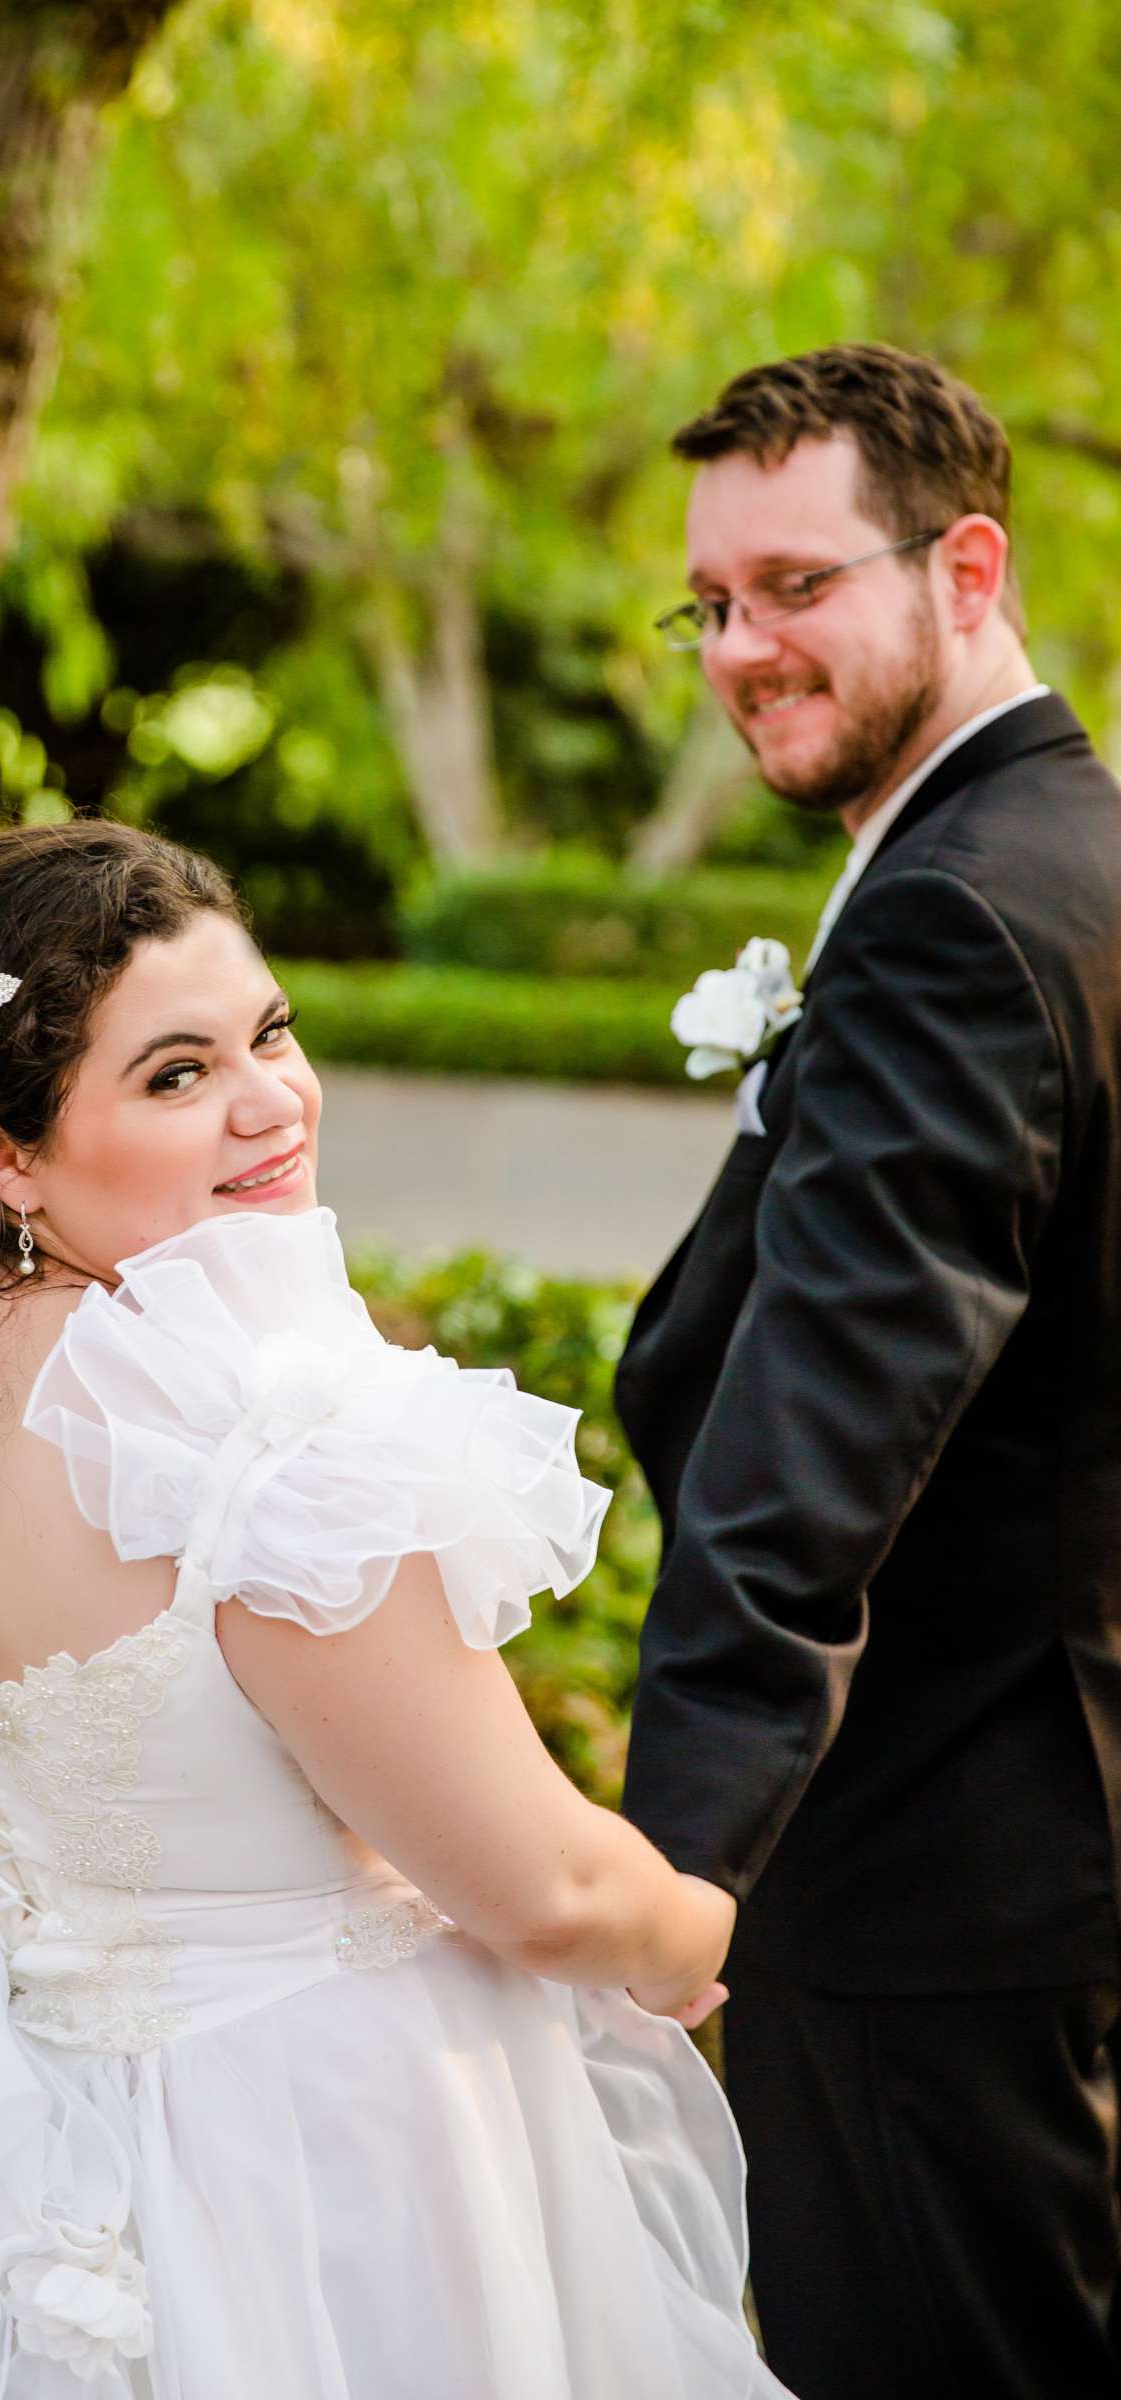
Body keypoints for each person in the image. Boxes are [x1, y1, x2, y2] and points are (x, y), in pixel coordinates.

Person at [0, 819, 785, 2399]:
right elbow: (549, 1893)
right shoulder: (248, 1405)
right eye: (175, 1075)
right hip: (311, 2147)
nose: (272, 1102)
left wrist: (99, 1820)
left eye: (271, 1032)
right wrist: (696, 1928)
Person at [616, 342, 1121, 2399]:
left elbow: (814, 1446)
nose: (740, 648)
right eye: (709, 605)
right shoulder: (1068, 850)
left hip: (925, 1864)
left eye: (797, 585)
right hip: (1052, 1807)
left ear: (964, 566)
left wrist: (663, 1886)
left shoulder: (952, 915)